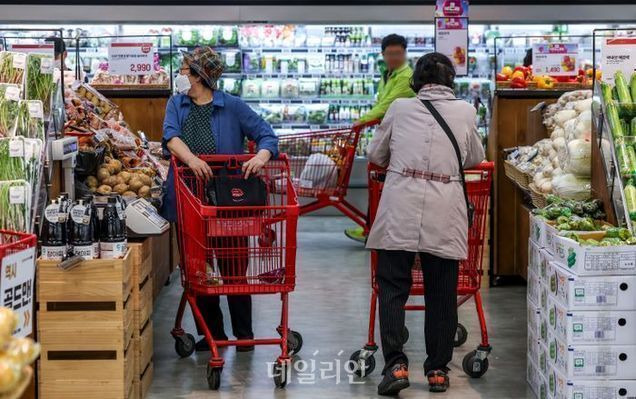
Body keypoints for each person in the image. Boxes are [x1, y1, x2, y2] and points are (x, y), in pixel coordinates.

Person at [365, 52, 485, 395]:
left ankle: (396, 367)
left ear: (417, 81)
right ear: (451, 83)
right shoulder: (465, 112)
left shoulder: (400, 109)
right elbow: (475, 157)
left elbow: (376, 155)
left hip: (400, 205)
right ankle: (436, 371)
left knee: (392, 288)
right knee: (442, 293)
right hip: (444, 209)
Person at [161, 47, 278, 352]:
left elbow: (267, 135)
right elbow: (170, 137)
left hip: (229, 202)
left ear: (199, 75)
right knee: (200, 270)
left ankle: (244, 336)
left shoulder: (233, 106)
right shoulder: (177, 103)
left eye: (185, 69)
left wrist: (261, 156)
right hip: (189, 199)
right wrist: (192, 160)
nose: (181, 74)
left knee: (234, 268)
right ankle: (213, 335)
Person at [344, 34, 415, 243]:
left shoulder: (405, 77)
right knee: (378, 183)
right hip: (387, 136)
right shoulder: (387, 74)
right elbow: (381, 104)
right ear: (383, 55)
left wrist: (360, 121)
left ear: (405, 53)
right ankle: (371, 228)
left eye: (399, 53)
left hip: (399, 139)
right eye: (390, 53)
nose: (394, 57)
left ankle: (375, 230)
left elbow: (388, 106)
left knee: (383, 184)